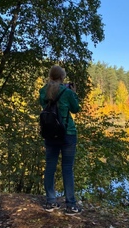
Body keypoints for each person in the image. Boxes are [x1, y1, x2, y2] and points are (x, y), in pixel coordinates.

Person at [39, 65, 81, 215]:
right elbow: (76, 109)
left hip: (50, 133)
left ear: (50, 76)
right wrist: (73, 93)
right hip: (67, 133)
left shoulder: (43, 91)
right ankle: (71, 205)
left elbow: (43, 104)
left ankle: (51, 201)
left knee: (50, 166)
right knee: (67, 168)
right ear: (62, 78)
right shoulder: (67, 92)